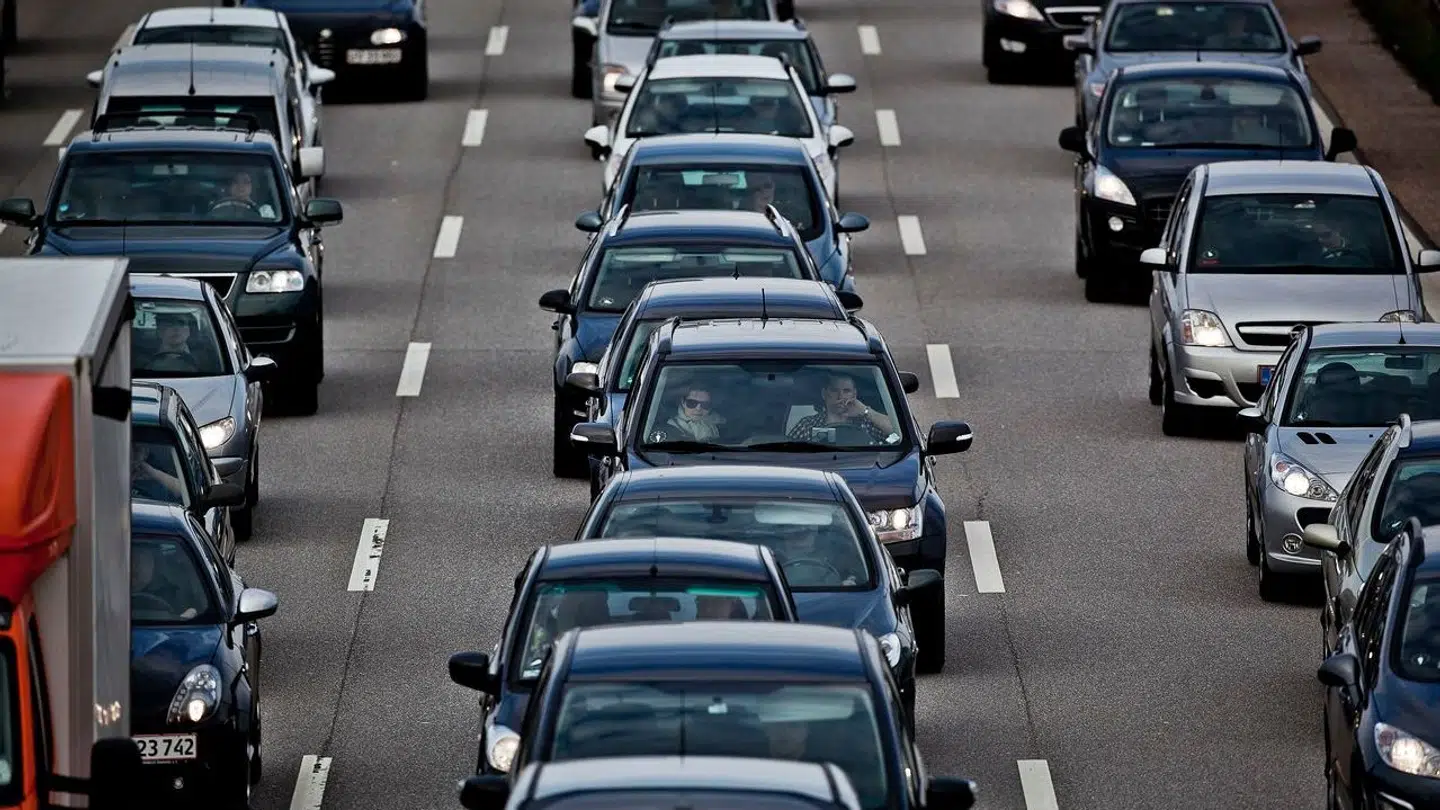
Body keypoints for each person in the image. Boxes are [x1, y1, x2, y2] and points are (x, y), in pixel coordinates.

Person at [788, 374, 895, 443]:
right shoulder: (807, 425)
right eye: (834, 390)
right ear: (824, 394)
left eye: (846, 391)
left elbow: (898, 435)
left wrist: (865, 411)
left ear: (854, 394)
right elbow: (789, 453)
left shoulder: (867, 423)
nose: (840, 396)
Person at [132, 543, 199, 620]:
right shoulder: (115, 593)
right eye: (131, 558)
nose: (133, 566)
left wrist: (182, 619)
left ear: (154, 564)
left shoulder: (173, 595)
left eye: (139, 559)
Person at [210, 170, 275, 219]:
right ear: (230, 186)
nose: (240, 186)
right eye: (236, 182)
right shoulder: (219, 207)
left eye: (246, 182)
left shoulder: (264, 210)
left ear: (252, 186)